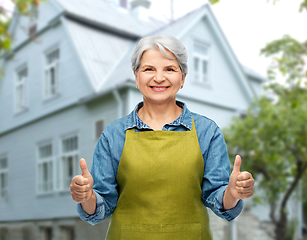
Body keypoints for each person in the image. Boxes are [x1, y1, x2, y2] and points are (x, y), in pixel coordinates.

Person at [70, 35, 255, 240]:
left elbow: (219, 201)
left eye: (169, 69)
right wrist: (87, 197)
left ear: (182, 78)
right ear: (136, 76)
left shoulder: (207, 132)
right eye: (149, 69)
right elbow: (101, 206)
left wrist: (232, 193)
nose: (159, 78)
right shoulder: (113, 135)